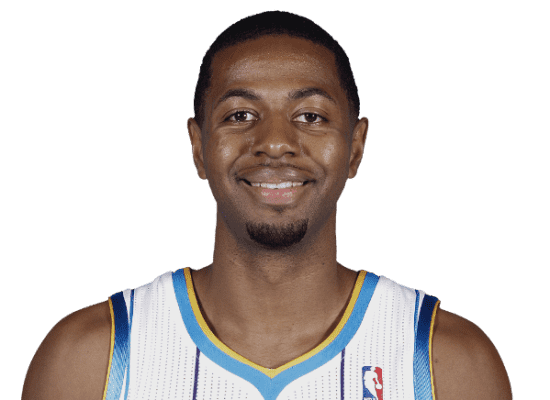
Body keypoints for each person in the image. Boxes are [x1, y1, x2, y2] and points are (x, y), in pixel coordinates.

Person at [22, 11, 513, 400]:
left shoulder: (448, 364)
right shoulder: (91, 361)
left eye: (310, 116)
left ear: (356, 147)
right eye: (240, 115)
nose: (275, 143)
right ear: (198, 147)